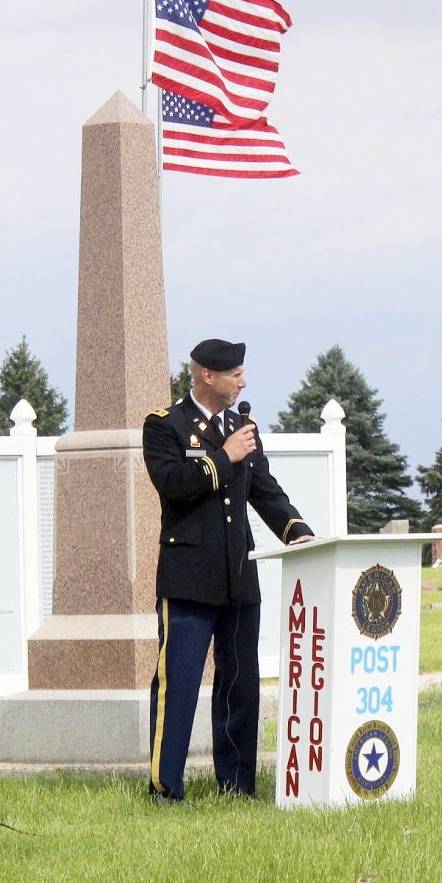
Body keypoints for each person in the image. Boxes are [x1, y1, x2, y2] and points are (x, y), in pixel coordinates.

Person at [143, 339, 314, 803]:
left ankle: (237, 785)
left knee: (240, 685)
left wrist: (298, 531)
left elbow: (265, 490)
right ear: (206, 377)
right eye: (235, 374)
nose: (243, 381)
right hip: (188, 579)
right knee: (178, 685)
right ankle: (166, 787)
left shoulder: (242, 426)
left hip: (239, 577)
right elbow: (174, 485)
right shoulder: (165, 426)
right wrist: (225, 456)